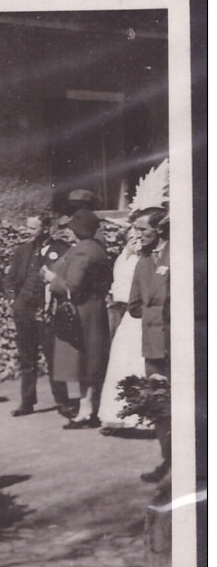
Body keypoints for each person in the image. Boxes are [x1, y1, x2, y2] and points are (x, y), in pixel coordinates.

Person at [41, 209, 112, 429]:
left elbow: (72, 286)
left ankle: (87, 411)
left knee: (85, 363)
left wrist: (51, 278)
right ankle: (88, 409)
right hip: (92, 311)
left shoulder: (83, 252)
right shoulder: (96, 249)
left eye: (71, 229)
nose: (68, 234)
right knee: (90, 363)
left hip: (82, 313)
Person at [4, 213, 72, 417]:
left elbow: (66, 279)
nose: (28, 231)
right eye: (28, 227)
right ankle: (27, 402)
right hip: (24, 311)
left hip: (48, 312)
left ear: (46, 228)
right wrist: (13, 301)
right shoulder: (23, 250)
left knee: (54, 357)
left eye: (33, 228)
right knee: (27, 358)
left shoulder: (62, 249)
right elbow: (10, 279)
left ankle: (63, 402)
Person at [127, 206, 170, 482]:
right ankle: (168, 462)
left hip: (179, 341)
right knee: (159, 405)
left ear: (160, 229)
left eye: (143, 229)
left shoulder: (180, 254)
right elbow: (133, 306)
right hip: (153, 345)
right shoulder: (143, 261)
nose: (138, 234)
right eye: (136, 229)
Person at [97, 229, 147, 434]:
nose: (136, 241)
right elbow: (119, 288)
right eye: (131, 238)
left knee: (138, 361)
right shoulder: (122, 259)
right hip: (127, 314)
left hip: (139, 315)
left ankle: (142, 418)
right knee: (121, 360)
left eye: (139, 237)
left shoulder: (146, 259)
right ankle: (118, 415)